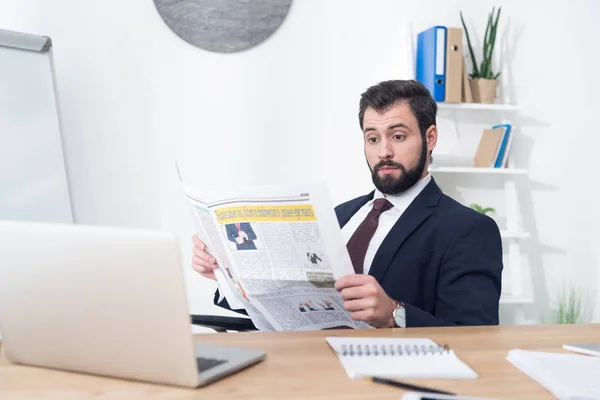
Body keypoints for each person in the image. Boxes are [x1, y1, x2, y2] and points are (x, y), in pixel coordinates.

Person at [191, 79, 503, 328]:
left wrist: (394, 314)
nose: (383, 152)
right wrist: (224, 273)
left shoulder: (468, 230)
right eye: (372, 138)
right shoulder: (338, 216)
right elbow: (281, 311)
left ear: (430, 137)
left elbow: (477, 337)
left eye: (397, 136)